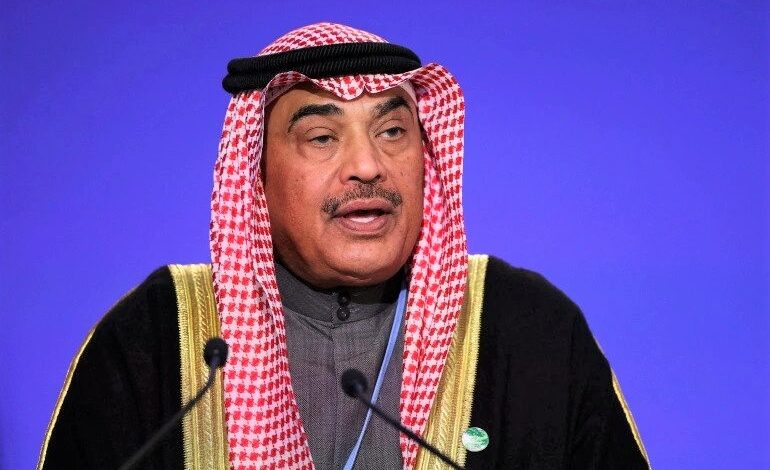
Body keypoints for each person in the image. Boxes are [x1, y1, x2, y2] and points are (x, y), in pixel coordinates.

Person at [37, 22, 651, 470]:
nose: (367, 165)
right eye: (323, 137)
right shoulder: (152, 341)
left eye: (392, 130)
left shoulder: (530, 330)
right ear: (256, 175)